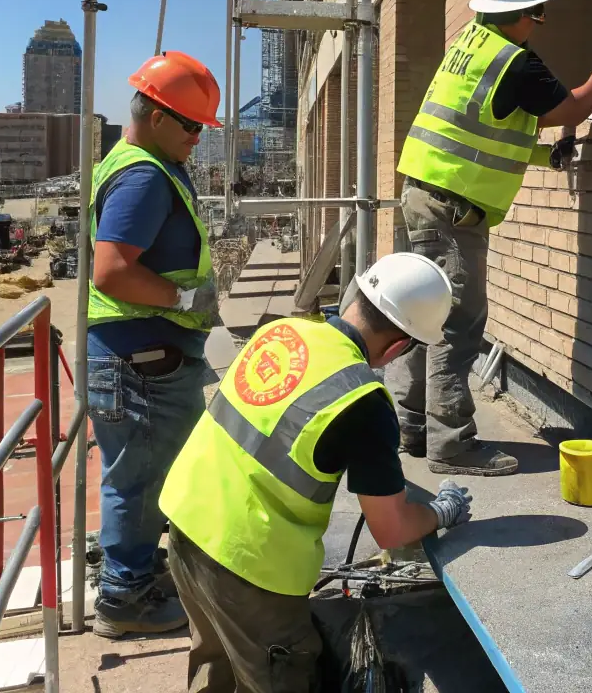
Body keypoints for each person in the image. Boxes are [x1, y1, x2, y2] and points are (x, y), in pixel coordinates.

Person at [159, 252, 473, 693]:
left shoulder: (280, 332)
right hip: (251, 569)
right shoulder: (363, 399)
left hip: (186, 526)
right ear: (400, 346)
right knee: (281, 676)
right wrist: (442, 512)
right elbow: (392, 528)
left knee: (216, 669)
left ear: (355, 295)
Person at [393, 0, 592, 476]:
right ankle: (453, 445)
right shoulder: (514, 61)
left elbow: (483, 133)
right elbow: (570, 109)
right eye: (539, 12)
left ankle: (413, 426)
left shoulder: (467, 47)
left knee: (418, 316)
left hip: (422, 194)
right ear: (519, 12)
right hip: (452, 212)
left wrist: (542, 155)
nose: (540, 23)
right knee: (457, 325)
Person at [86, 51, 224, 638]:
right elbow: (112, 271)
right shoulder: (143, 173)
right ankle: (125, 599)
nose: (197, 137)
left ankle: (135, 569)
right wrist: (182, 301)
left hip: (136, 358)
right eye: (191, 125)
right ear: (158, 115)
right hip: (140, 361)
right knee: (139, 479)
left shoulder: (139, 162)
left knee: (142, 474)